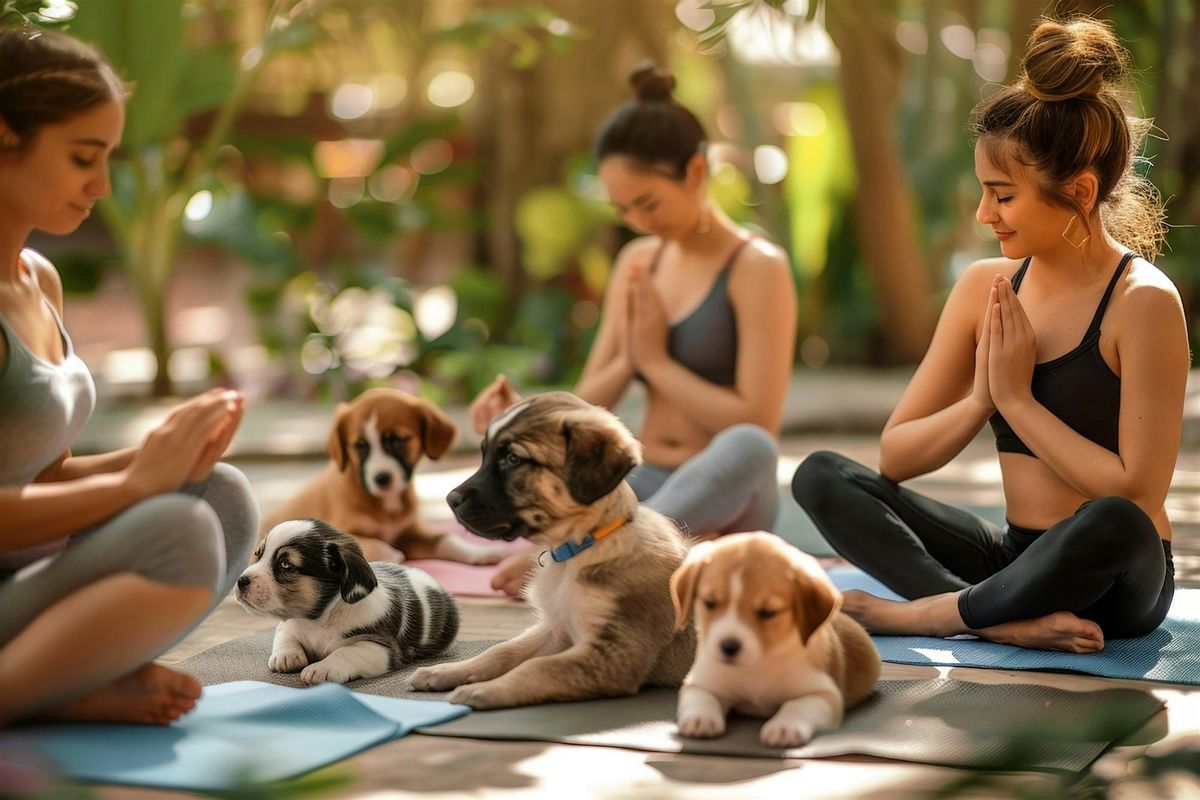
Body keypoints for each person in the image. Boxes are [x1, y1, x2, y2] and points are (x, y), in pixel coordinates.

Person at [791, 17, 1185, 653]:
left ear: (1079, 191)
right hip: (1013, 557)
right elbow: (897, 457)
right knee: (821, 476)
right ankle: (994, 617)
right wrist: (982, 398)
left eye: (1002, 196)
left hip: (1111, 576)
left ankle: (930, 613)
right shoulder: (986, 287)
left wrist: (1020, 402)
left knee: (1115, 520)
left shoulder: (1142, 303)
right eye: (983, 193)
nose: (983, 214)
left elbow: (1138, 493)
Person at [0, 28, 258, 726]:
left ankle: (58, 684)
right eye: (84, 157)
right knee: (178, 532)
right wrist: (136, 485)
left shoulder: (38, 281)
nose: (102, 186)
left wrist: (160, 458)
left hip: (24, 590)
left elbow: (42, 477)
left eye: (108, 157)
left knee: (220, 496)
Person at [471, 63, 797, 596]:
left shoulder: (758, 267)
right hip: (638, 485)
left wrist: (656, 361)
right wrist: (523, 416)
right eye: (622, 209)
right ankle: (633, 549)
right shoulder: (639, 262)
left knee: (751, 446)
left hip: (725, 489)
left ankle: (595, 551)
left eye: (648, 203)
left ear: (695, 173)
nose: (638, 222)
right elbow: (591, 406)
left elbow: (757, 420)